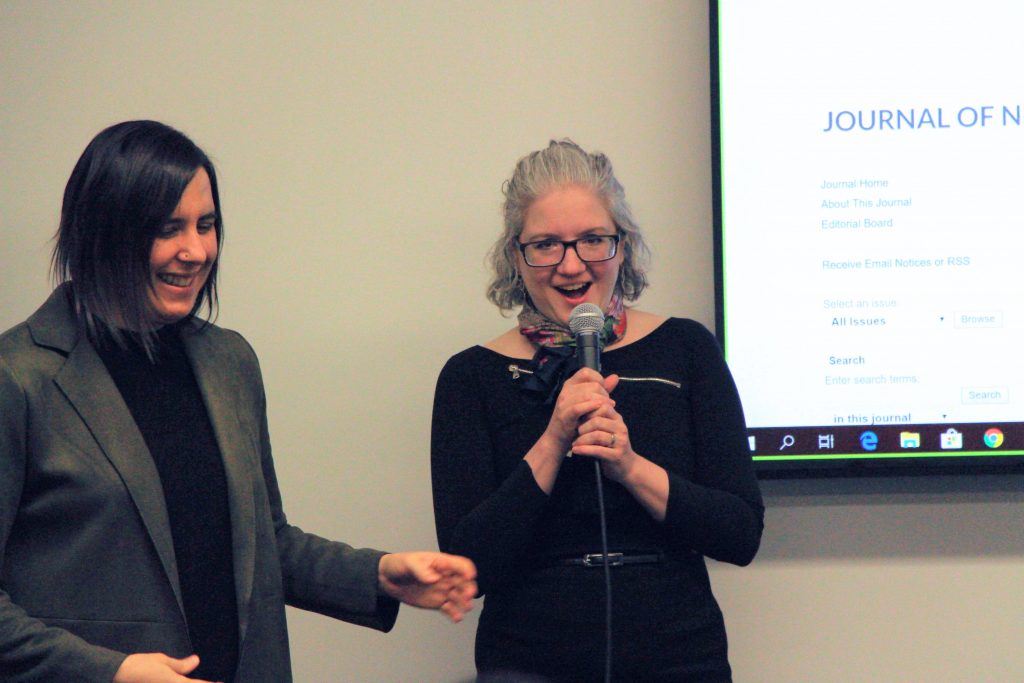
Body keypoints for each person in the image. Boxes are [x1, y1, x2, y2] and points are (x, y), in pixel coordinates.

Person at [0, 120, 476, 683]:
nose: (196, 251)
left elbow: (263, 544)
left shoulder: (229, 361)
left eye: (206, 225)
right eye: (168, 229)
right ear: (103, 232)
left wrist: (378, 575)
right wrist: (112, 672)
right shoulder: (20, 377)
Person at [430, 140, 763, 682]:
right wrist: (553, 440)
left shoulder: (686, 349)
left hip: (678, 653)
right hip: (528, 658)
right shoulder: (470, 376)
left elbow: (741, 534)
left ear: (622, 246)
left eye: (592, 240)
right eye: (545, 245)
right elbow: (468, 564)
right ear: (516, 255)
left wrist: (630, 467)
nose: (572, 264)